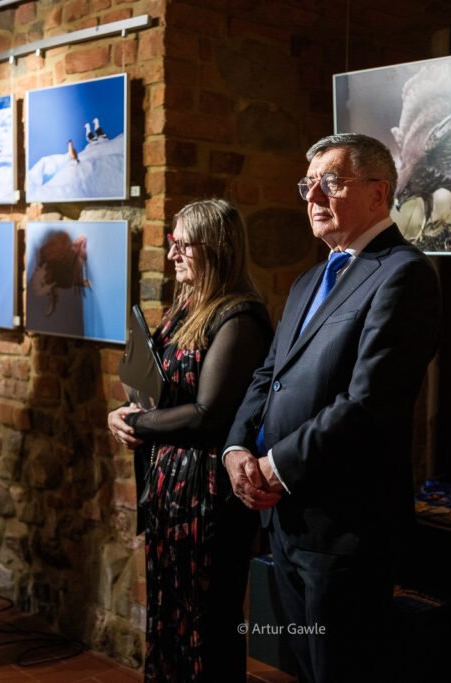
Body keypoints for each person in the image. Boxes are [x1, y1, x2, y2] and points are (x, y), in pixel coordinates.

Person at [224, 133, 442, 682]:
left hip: (346, 530)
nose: (314, 197)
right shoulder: (308, 280)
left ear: (378, 193)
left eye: (331, 182)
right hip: (285, 521)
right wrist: (236, 448)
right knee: (305, 668)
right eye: (308, 185)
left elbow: (369, 403)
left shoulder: (404, 273)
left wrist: (275, 466)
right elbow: (268, 375)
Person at [107, 199, 272, 682]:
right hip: (170, 486)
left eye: (183, 244)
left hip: (208, 493)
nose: (172, 253)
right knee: (169, 614)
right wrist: (123, 413)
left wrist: (139, 424)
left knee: (207, 621)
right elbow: (156, 390)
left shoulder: (239, 316)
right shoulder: (185, 307)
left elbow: (208, 415)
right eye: (171, 241)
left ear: (216, 247)